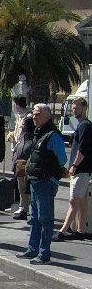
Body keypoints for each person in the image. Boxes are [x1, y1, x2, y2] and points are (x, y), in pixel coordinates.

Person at [19, 104, 68, 264]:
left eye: (38, 114)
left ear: (47, 116)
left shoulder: (52, 135)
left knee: (45, 219)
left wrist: (51, 174)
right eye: (33, 114)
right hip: (35, 181)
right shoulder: (39, 133)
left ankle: (44, 253)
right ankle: (32, 249)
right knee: (34, 218)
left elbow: (62, 159)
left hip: (46, 182)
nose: (34, 116)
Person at [55, 96, 90, 242]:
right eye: (73, 108)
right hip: (81, 170)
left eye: (76, 108)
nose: (74, 111)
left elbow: (82, 149)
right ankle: (80, 231)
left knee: (73, 201)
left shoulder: (85, 126)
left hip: (81, 170)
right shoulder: (83, 125)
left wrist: (74, 166)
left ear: (84, 107)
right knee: (80, 202)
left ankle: (63, 231)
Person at [7, 96, 33, 219]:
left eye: (15, 104)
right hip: (18, 150)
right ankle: (21, 206)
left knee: (22, 181)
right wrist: (13, 135)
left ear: (18, 105)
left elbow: (25, 136)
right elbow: (19, 134)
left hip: (23, 154)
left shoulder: (28, 118)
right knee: (19, 180)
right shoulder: (21, 117)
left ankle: (24, 208)